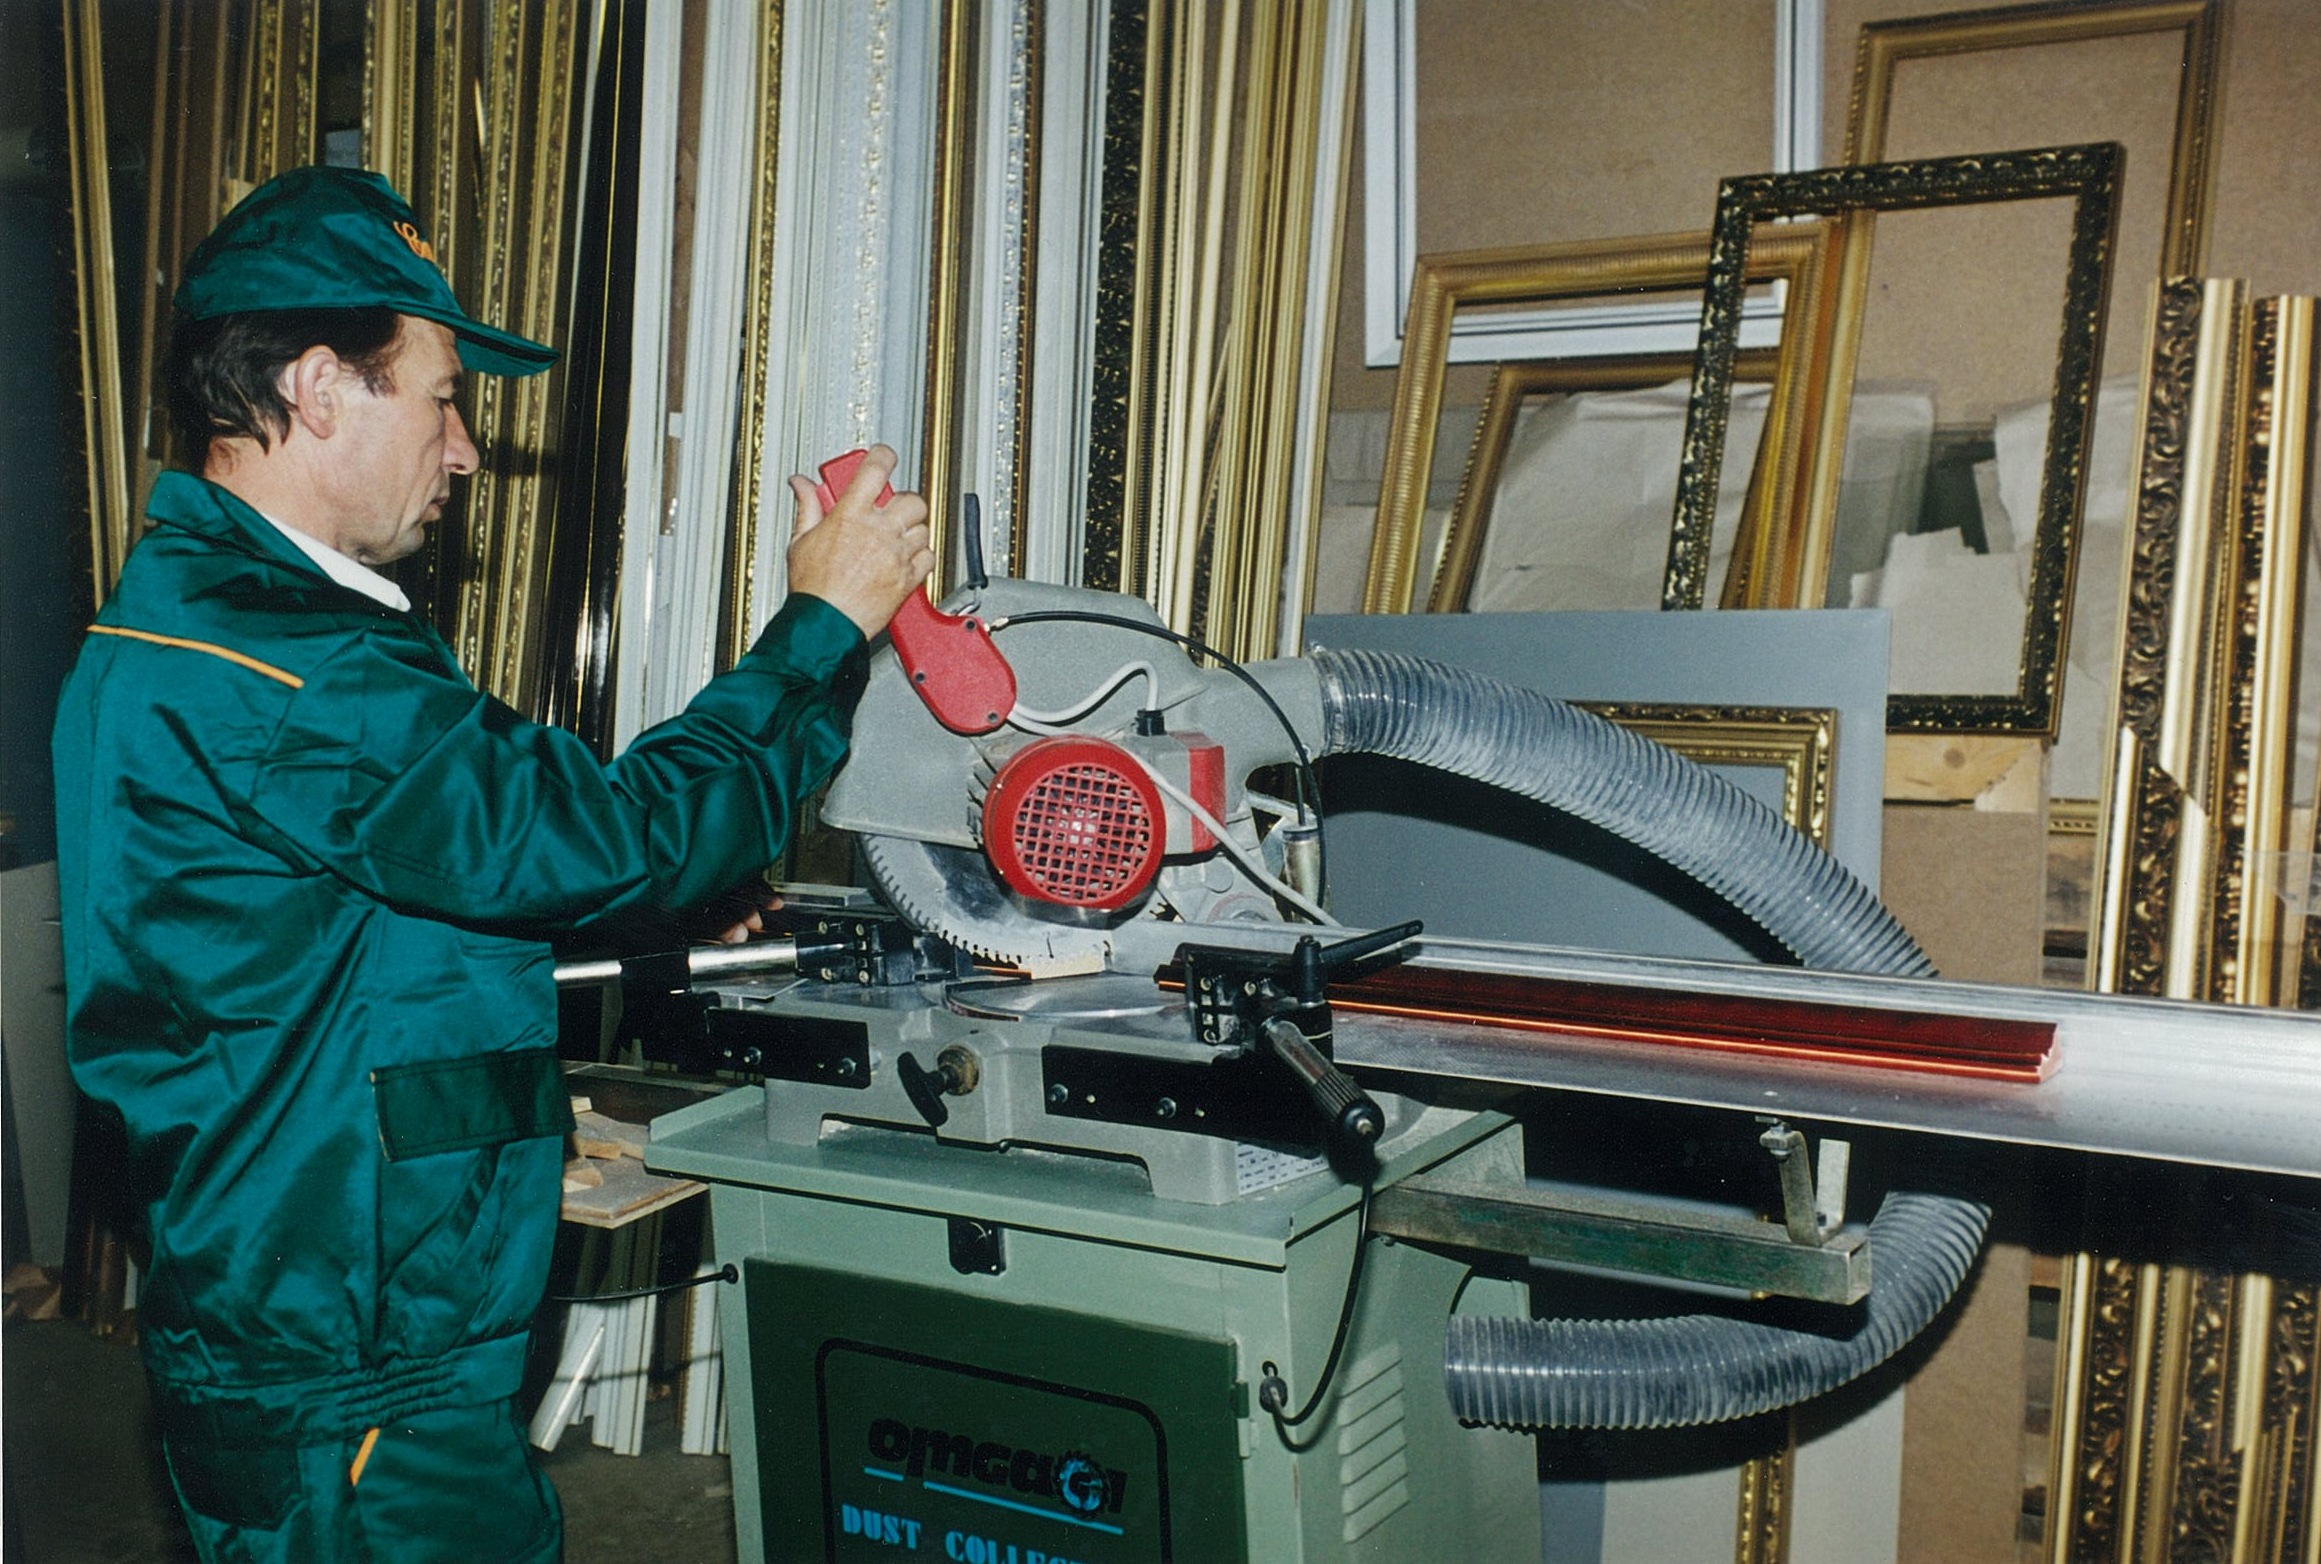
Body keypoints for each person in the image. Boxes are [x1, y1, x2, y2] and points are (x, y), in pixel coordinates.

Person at [51, 165, 933, 1563]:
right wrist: (820, 627)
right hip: (356, 1354)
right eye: (443, 398)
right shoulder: (292, 672)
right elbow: (614, 836)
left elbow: (384, 908)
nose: (464, 451)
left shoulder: (207, 626)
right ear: (319, 389)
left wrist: (656, 899)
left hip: (322, 1305)